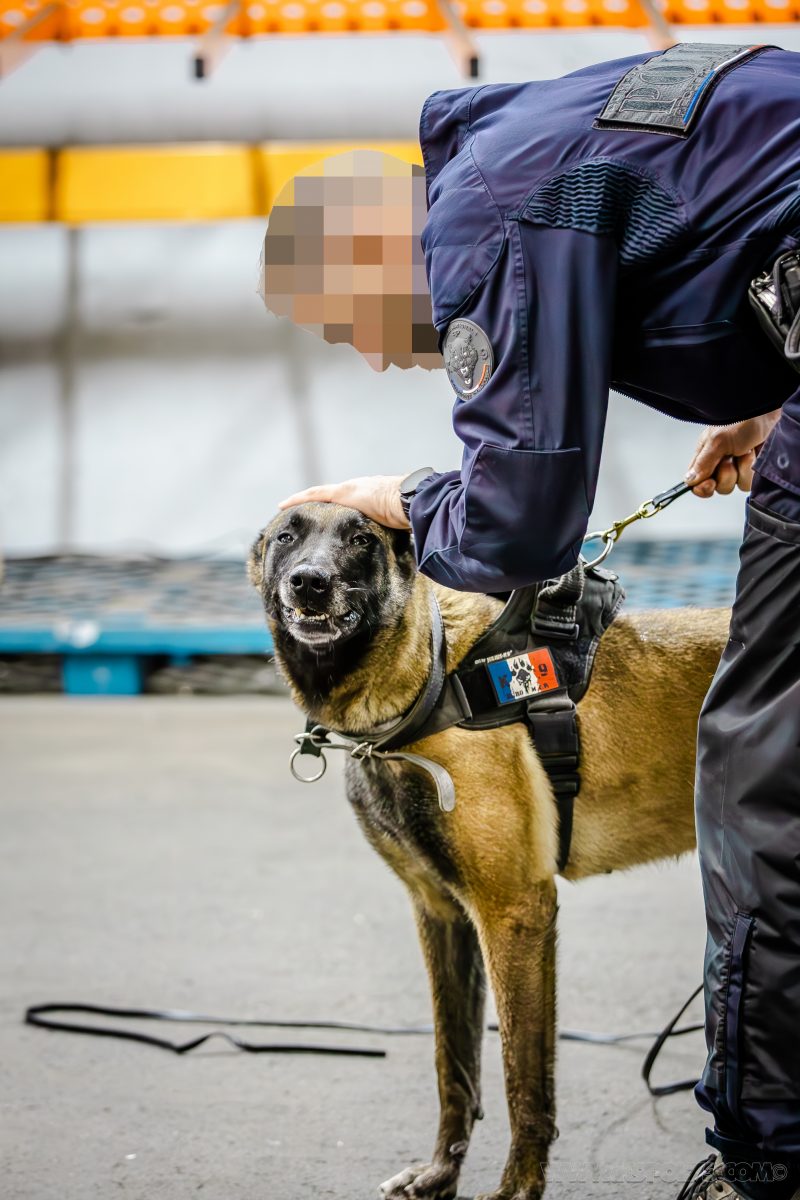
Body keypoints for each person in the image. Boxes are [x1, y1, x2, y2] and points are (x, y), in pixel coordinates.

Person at [262, 43, 800, 1200]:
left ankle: (771, 1158)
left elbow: (520, 521)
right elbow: (751, 203)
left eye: (345, 324)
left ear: (368, 245)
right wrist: (769, 398)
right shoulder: (536, 141)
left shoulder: (479, 215)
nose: (374, 357)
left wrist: (402, 497)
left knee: (759, 765)